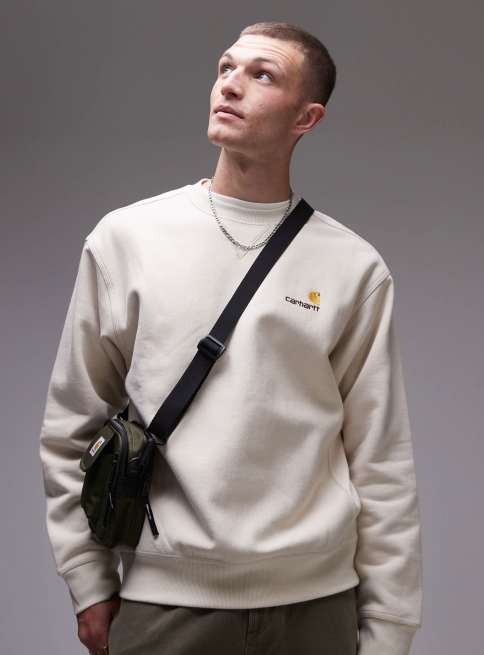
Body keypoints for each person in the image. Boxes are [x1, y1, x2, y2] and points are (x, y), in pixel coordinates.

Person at [39, 20, 423, 655]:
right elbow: (70, 424)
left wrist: (390, 628)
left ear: (307, 117)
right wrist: (87, 578)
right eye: (226, 68)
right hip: (164, 605)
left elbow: (381, 461)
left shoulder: (353, 267)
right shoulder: (127, 240)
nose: (231, 85)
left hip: (316, 607)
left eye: (262, 75)